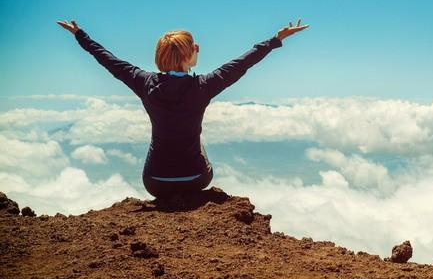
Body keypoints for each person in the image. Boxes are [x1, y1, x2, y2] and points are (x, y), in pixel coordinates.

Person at [56, 18, 310, 200]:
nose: (197, 49)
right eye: (194, 47)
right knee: (197, 141)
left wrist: (81, 35)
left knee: (161, 143)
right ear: (188, 56)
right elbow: (242, 63)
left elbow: (107, 59)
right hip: (195, 180)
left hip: (155, 183)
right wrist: (276, 39)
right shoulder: (204, 86)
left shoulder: (143, 82)